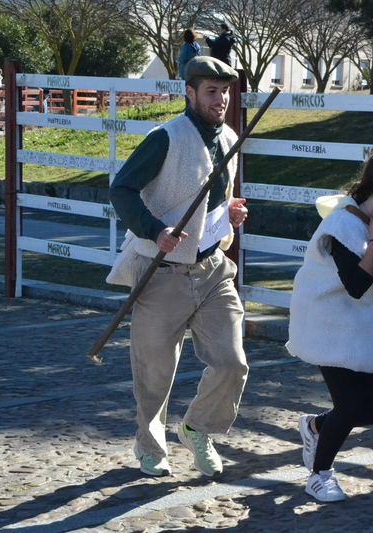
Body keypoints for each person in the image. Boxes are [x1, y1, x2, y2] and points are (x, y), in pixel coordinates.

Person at [106, 56, 249, 478]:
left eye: (225, 91)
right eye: (211, 91)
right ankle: (150, 446)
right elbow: (122, 189)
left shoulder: (229, 137)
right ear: (189, 93)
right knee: (154, 374)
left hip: (212, 270)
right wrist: (155, 230)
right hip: (161, 271)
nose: (220, 99)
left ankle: (197, 428)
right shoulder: (164, 138)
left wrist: (229, 215)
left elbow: (214, 201)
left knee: (232, 362)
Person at [287, 150, 373, 502]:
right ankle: (320, 475)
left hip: (368, 325)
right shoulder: (342, 225)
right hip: (329, 322)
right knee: (349, 406)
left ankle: (315, 426)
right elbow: (356, 286)